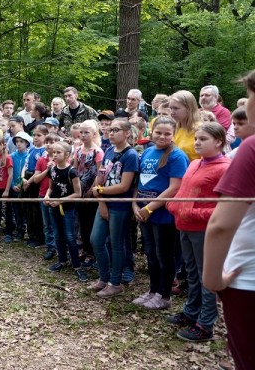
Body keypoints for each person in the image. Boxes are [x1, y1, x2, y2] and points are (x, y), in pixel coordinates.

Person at [203, 70, 255, 370]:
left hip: (247, 281)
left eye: (250, 98)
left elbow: (221, 224)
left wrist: (213, 279)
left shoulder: (251, 148)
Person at [165, 122, 230, 342]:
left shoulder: (224, 168)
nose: (197, 143)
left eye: (203, 139)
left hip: (204, 231)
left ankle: (205, 323)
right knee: (191, 272)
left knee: (206, 277)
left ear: (219, 142)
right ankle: (191, 311)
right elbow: (184, 192)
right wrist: (175, 205)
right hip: (184, 226)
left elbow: (225, 208)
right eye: (196, 139)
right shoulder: (195, 164)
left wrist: (190, 211)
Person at [131, 116, 189, 310]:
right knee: (151, 253)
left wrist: (149, 208)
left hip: (163, 215)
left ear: (173, 135)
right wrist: (136, 205)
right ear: (151, 131)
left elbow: (175, 187)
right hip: (144, 212)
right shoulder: (147, 152)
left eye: (167, 133)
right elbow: (140, 182)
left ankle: (164, 295)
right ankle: (153, 290)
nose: (162, 136)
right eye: (158, 132)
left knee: (165, 255)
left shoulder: (177, 156)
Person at [89, 118, 139, 298]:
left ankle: (115, 282)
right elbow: (100, 176)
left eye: (116, 130)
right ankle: (104, 277)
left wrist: (99, 190)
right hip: (104, 202)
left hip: (119, 206)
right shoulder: (109, 150)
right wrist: (100, 198)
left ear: (127, 133)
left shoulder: (131, 155)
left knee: (117, 243)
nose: (111, 133)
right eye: (110, 130)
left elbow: (124, 186)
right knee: (96, 240)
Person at [43, 141, 87, 282]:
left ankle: (77, 266)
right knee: (57, 235)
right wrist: (47, 196)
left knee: (70, 237)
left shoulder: (72, 171)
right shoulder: (52, 169)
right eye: (54, 152)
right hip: (53, 207)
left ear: (67, 155)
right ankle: (62, 261)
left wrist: (61, 201)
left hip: (67, 209)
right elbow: (51, 187)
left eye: (58, 152)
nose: (55, 155)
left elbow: (78, 193)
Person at [74, 120, 104, 268]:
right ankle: (84, 250)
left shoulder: (98, 152)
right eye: (82, 132)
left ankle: (92, 253)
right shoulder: (78, 150)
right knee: (81, 222)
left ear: (94, 134)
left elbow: (99, 174)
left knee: (90, 222)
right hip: (78, 190)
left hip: (91, 193)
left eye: (87, 132)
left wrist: (90, 192)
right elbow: (74, 170)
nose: (83, 135)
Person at [21, 125, 48, 247]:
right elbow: (25, 165)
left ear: (45, 136)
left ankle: (39, 237)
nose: (36, 138)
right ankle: (31, 234)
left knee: (36, 210)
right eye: (34, 135)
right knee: (27, 208)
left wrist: (29, 181)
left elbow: (38, 170)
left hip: (36, 181)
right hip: (27, 178)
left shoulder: (44, 152)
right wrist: (23, 179)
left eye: (39, 135)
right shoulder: (31, 149)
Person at [9, 131, 32, 241]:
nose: (19, 144)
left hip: (26, 188)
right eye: (17, 141)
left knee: (27, 210)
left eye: (21, 142)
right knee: (17, 211)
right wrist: (13, 185)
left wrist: (24, 184)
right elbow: (10, 173)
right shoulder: (12, 156)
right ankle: (20, 231)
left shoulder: (30, 156)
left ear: (27, 143)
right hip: (14, 188)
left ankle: (30, 232)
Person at [170, 90, 202, 161]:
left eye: (176, 108)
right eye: (171, 108)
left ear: (189, 108)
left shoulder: (201, 131)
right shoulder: (175, 128)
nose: (172, 112)